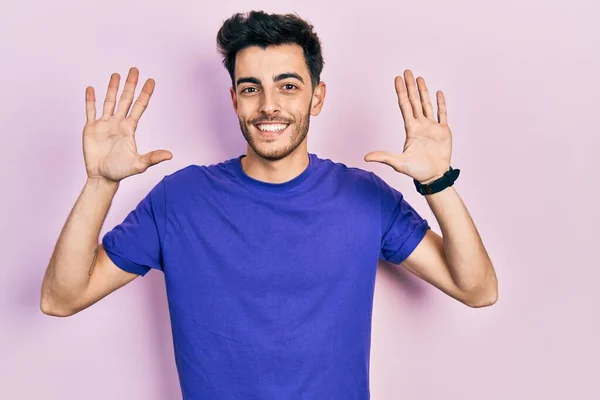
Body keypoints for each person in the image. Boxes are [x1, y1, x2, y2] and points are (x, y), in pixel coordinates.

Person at [40, 10, 498, 400]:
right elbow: (62, 298)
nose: (269, 106)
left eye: (288, 86)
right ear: (234, 99)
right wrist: (100, 182)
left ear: (317, 97)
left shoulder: (365, 197)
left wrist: (438, 182)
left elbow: (477, 289)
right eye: (251, 88)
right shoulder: (180, 200)